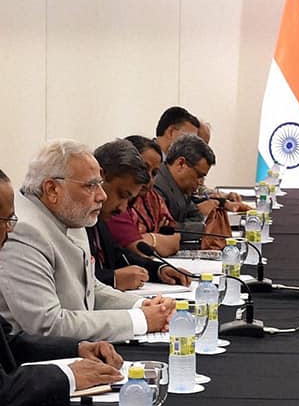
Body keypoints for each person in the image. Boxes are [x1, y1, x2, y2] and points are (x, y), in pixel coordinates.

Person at [0, 140, 174, 342]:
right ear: (52, 189)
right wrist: (139, 320)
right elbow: (47, 325)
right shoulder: (22, 231)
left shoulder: (69, 215)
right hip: (36, 363)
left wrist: (142, 306)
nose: (102, 195)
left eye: (100, 184)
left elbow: (89, 289)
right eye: (91, 186)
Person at [0, 168, 124, 406]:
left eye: (11, 219)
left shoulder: (74, 228)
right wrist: (68, 375)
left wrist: (77, 348)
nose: (9, 231)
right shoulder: (29, 235)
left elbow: (9, 342)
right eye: (3, 221)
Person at [87, 139, 191, 290]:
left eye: (128, 200)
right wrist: (113, 279)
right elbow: (74, 279)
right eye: (122, 195)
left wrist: (159, 270)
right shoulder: (77, 218)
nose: (123, 208)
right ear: (101, 177)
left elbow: (119, 256)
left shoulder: (100, 217)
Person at [155, 134, 242, 242]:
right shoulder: (156, 185)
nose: (201, 182)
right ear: (181, 164)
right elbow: (165, 228)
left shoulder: (181, 187)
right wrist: (206, 229)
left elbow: (196, 216)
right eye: (199, 175)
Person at [107, 136, 182, 258]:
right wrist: (156, 238)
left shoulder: (152, 198)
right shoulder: (116, 202)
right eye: (143, 168)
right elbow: (139, 249)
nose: (149, 179)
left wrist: (150, 238)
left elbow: (175, 240)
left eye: (154, 173)